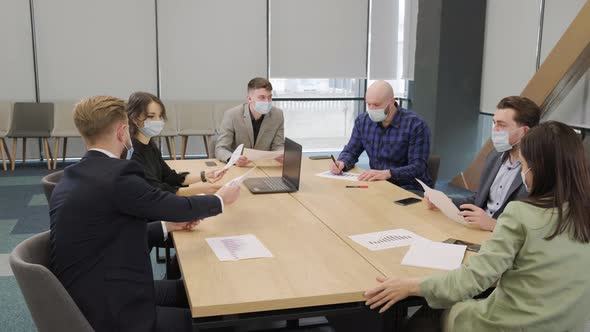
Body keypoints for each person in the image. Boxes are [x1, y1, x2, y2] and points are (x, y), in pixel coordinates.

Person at [364, 121, 590, 332]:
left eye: (523, 164)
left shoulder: (520, 214)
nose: (523, 172)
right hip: (570, 323)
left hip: (515, 325)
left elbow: (470, 281)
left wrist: (410, 286)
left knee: (434, 310)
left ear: (537, 168)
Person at [49, 96, 241, 332]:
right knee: (211, 317)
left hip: (89, 290)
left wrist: (167, 227)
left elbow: (109, 230)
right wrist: (221, 200)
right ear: (122, 131)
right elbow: (170, 204)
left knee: (200, 291)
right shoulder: (117, 175)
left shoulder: (74, 173)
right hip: (111, 309)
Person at [425, 96, 541, 231]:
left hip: (506, 239)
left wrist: (494, 225)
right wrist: (446, 202)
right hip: (477, 229)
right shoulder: (495, 156)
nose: (495, 130)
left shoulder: (537, 170)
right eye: (494, 123)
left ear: (524, 131)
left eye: (502, 125)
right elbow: (479, 200)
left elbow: (538, 226)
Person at [329, 80, 432, 192]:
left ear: (391, 101)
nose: (372, 109)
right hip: (379, 184)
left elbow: (418, 167)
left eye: (377, 105)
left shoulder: (416, 125)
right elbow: (351, 150)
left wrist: (388, 173)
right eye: (368, 104)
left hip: (410, 188)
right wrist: (342, 163)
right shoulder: (363, 121)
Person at [127, 91, 226, 196]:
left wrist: (205, 175)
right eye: (151, 116)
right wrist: (199, 189)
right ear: (134, 119)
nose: (158, 121)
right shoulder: (132, 152)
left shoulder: (150, 145)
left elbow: (169, 177)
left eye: (160, 116)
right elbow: (155, 191)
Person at [215, 77, 284, 166]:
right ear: (249, 99)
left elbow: (278, 145)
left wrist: (281, 154)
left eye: (269, 97)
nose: (267, 101)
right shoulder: (232, 115)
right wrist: (233, 158)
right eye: (262, 97)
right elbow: (220, 148)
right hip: (238, 167)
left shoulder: (277, 115)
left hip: (263, 166)